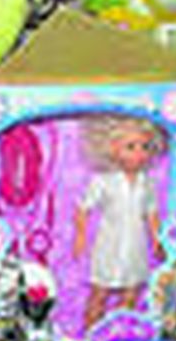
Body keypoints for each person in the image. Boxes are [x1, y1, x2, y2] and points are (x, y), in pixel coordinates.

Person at [71, 114, 169, 330]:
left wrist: (157, 240)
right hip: (109, 245)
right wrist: (80, 236)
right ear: (112, 149)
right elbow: (83, 208)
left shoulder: (147, 182)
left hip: (136, 247)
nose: (140, 154)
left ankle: (120, 335)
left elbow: (151, 213)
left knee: (131, 295)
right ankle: (89, 335)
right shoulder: (104, 181)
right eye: (130, 147)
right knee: (100, 294)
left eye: (145, 147)